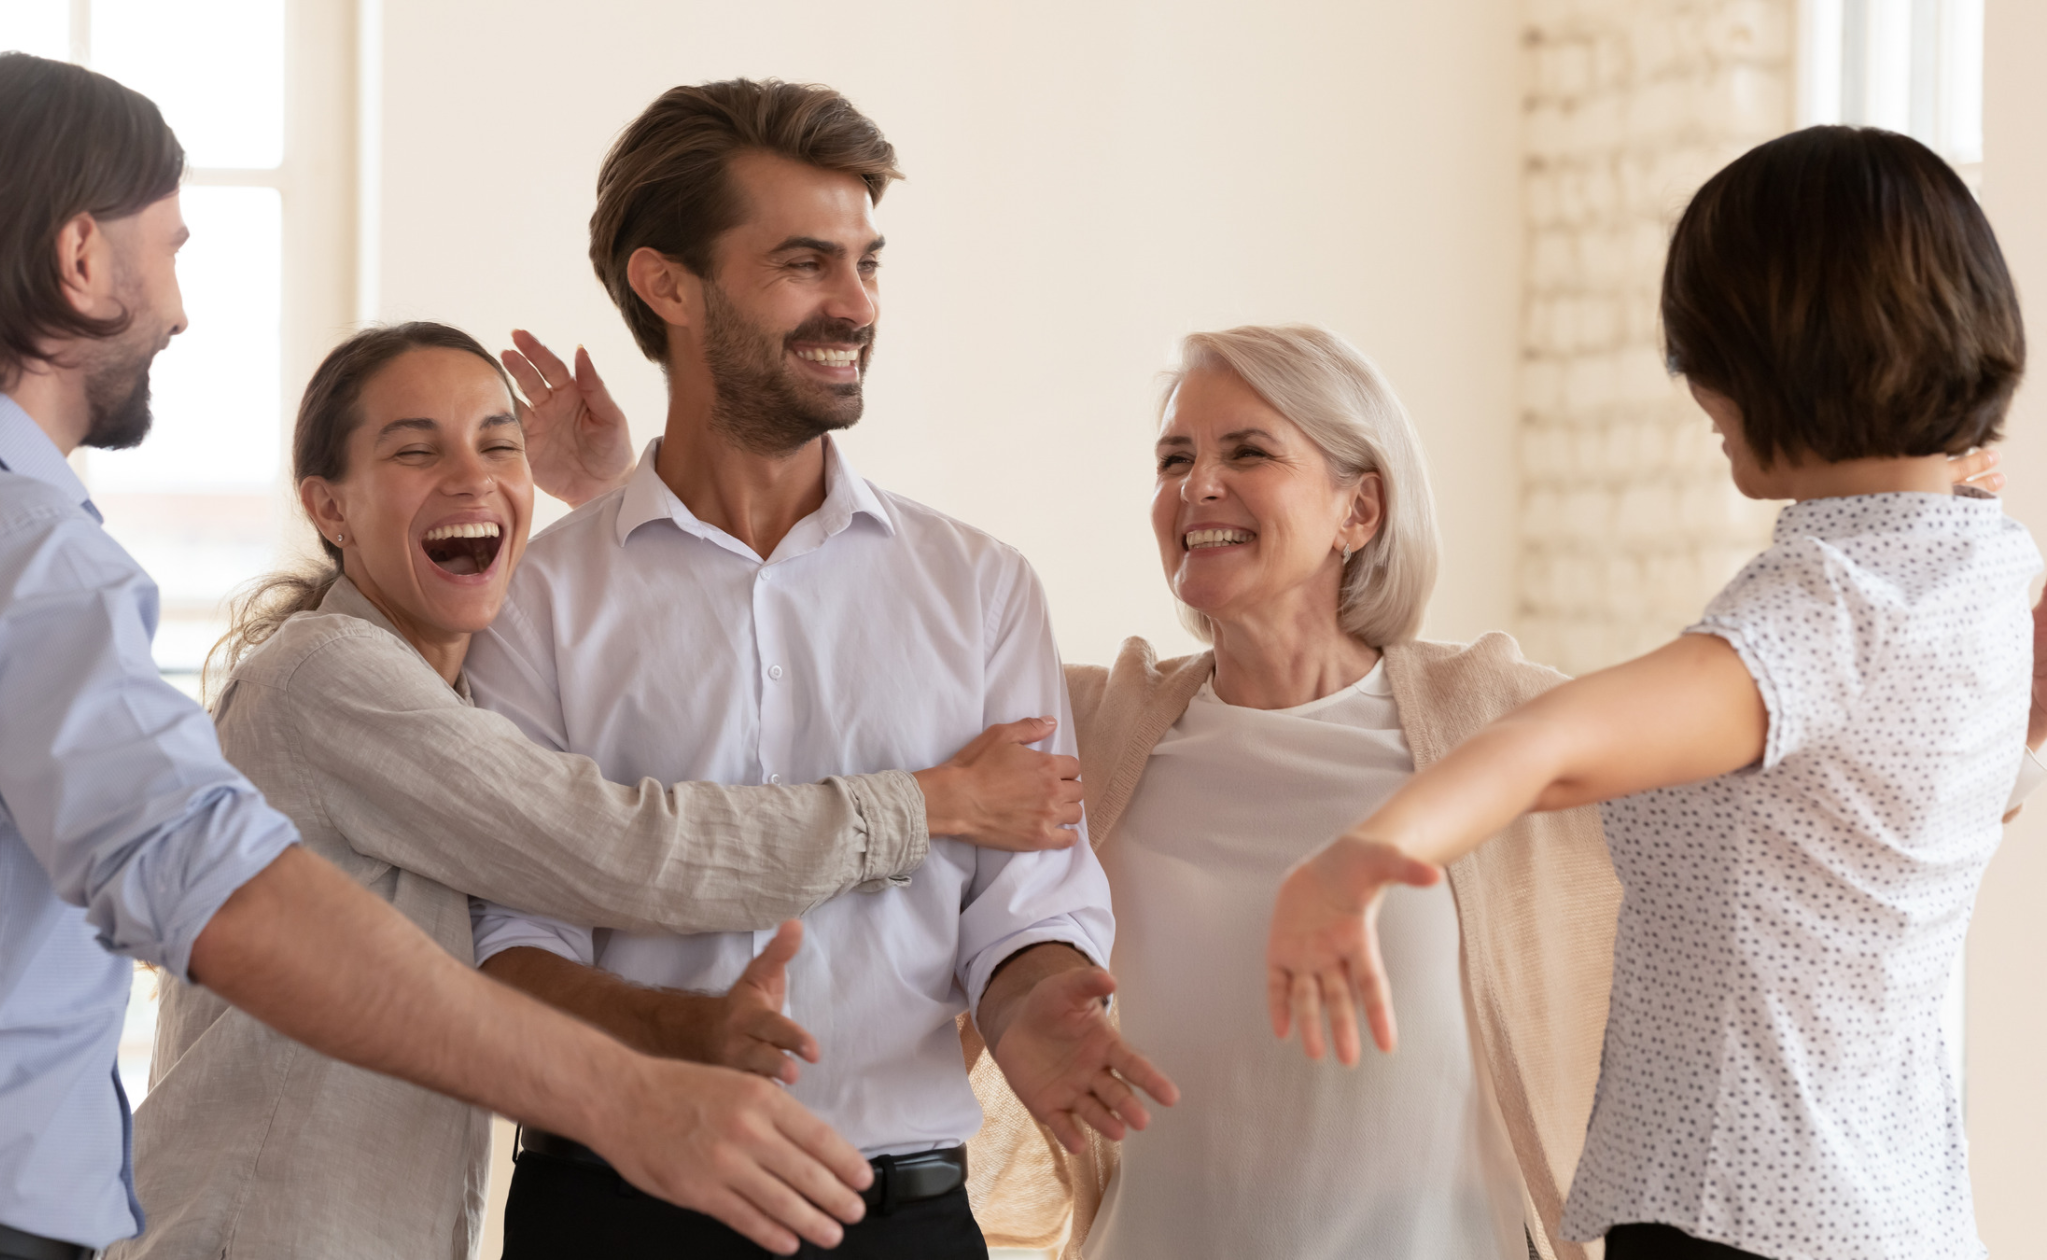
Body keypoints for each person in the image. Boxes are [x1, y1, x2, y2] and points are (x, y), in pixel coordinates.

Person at [0, 54, 875, 1260]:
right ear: (82, 257)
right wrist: (627, 1098)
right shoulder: (9, 546)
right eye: (169, 250)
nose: (179, 310)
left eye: (495, 444)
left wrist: (606, 504)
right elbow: (219, 889)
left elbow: (568, 671)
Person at [958, 319, 2030, 1260]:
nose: (1196, 486)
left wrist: (1989, 684)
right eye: (1173, 458)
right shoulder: (1098, 726)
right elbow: (934, 849)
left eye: (1247, 451)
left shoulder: (1491, 720)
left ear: (1358, 510)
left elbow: (1801, 815)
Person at [113, 320, 1089, 1260]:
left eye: (497, 444)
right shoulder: (329, 679)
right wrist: (931, 804)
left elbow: (667, 644)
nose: (470, 477)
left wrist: (628, 500)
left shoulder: (438, 696)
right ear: (329, 509)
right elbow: (616, 847)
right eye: (416, 451)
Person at [1265, 126, 2034, 1260]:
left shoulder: (1826, 603)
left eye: (1700, 349)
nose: (1692, 391)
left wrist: (1359, 857)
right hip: (1894, 1212)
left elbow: (1559, 744)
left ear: (1784, 348)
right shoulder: (1989, 564)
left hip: (1742, 1214)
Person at [464, 79, 1178, 1258]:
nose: (855, 304)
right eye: (805, 264)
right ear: (667, 286)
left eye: (866, 263)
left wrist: (1033, 1002)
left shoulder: (979, 587)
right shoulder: (537, 602)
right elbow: (510, 943)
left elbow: (1022, 905)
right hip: (612, 1219)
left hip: (899, 1222)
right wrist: (681, 1030)